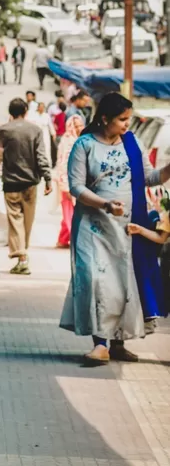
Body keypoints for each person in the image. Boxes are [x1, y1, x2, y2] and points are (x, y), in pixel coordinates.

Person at [60, 92, 170, 365]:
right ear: (105, 118)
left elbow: (149, 177)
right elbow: (77, 186)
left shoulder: (132, 144)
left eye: (129, 120)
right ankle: (100, 343)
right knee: (97, 283)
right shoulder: (84, 145)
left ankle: (118, 342)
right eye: (122, 119)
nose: (126, 125)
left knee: (122, 283)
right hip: (92, 227)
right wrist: (105, 204)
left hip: (126, 228)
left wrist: (168, 168)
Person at [0, 98, 52, 275]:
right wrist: (47, 178)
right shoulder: (35, 130)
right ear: (26, 111)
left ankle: (21, 257)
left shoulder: (4, 130)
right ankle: (23, 256)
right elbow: (41, 155)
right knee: (27, 222)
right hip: (30, 183)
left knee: (15, 221)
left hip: (11, 182)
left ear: (10, 112)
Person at [55, 115, 84, 248]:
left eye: (80, 125)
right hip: (67, 184)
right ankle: (77, 241)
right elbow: (63, 164)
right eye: (76, 126)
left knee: (70, 213)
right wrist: (65, 186)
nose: (78, 128)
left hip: (77, 184)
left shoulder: (79, 140)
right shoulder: (67, 142)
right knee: (71, 214)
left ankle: (62, 240)